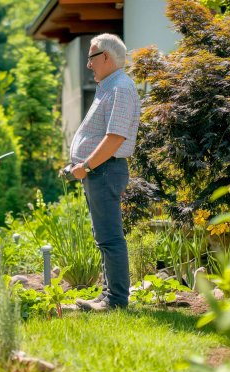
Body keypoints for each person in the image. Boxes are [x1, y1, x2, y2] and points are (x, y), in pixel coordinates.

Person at [71, 34, 140, 312]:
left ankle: (116, 300)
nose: (88, 65)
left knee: (110, 237)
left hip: (104, 170)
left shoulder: (120, 88)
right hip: (98, 171)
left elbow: (115, 138)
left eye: (91, 57)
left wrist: (86, 165)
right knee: (103, 236)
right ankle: (107, 294)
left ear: (106, 57)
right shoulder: (109, 87)